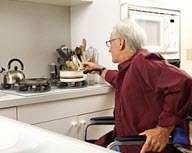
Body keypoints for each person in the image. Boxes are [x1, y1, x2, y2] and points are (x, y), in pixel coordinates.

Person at [83, 20, 192, 153]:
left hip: (137, 147)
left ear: (121, 42)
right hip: (124, 142)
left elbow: (184, 82)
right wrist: (100, 69)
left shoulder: (143, 61)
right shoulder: (131, 67)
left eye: (110, 43)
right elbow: (120, 80)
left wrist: (163, 129)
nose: (109, 48)